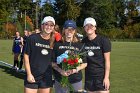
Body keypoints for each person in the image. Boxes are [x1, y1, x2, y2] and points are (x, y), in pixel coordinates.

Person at [52, 20, 87, 93]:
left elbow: (84, 63)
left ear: (75, 31)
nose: (69, 31)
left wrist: (75, 69)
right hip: (60, 80)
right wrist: (61, 71)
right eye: (67, 29)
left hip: (76, 80)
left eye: (72, 29)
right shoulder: (57, 44)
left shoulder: (80, 45)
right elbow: (53, 63)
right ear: (64, 30)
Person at [24, 16, 55, 93]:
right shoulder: (32, 38)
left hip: (46, 78)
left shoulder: (54, 42)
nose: (49, 27)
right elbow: (26, 56)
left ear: (53, 27)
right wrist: (29, 74)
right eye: (46, 24)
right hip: (32, 76)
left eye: (51, 25)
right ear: (42, 25)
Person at [82, 17, 111, 93]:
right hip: (89, 77)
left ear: (95, 27)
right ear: (84, 28)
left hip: (101, 77)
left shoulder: (104, 40)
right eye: (87, 25)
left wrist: (106, 78)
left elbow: (107, 60)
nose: (89, 27)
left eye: (91, 25)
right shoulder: (83, 42)